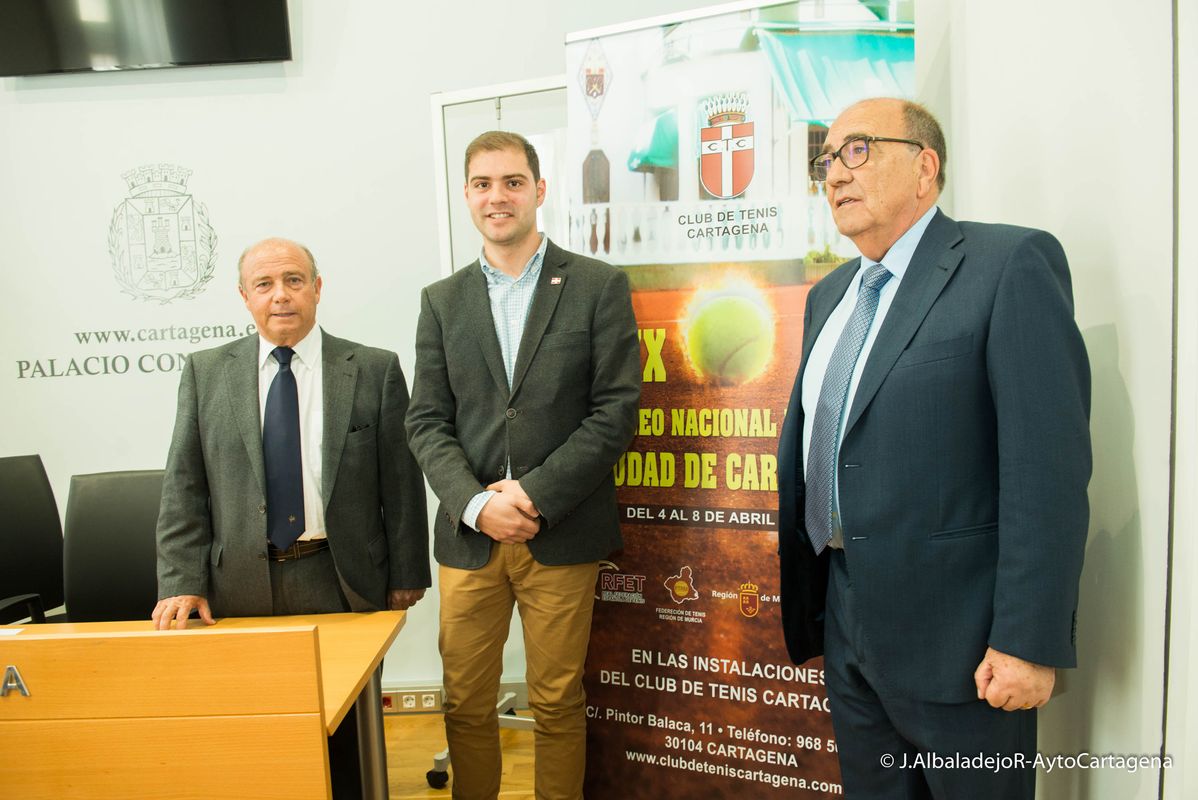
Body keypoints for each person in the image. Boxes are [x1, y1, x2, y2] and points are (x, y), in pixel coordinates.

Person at [776, 98, 1091, 799]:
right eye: (825, 160)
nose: (834, 175)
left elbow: (1047, 471)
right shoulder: (829, 295)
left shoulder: (1007, 264)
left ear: (925, 167)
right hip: (848, 620)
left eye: (857, 151)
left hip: (967, 645)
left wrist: (1028, 641)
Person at [405, 131, 641, 800]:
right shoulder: (441, 301)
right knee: (465, 705)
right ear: (466, 196)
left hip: (559, 532)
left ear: (539, 191)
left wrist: (533, 494)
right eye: (482, 184)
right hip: (469, 538)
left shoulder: (597, 285)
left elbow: (615, 411)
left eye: (512, 182)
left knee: (559, 701)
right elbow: (427, 421)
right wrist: (477, 504)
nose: (496, 196)